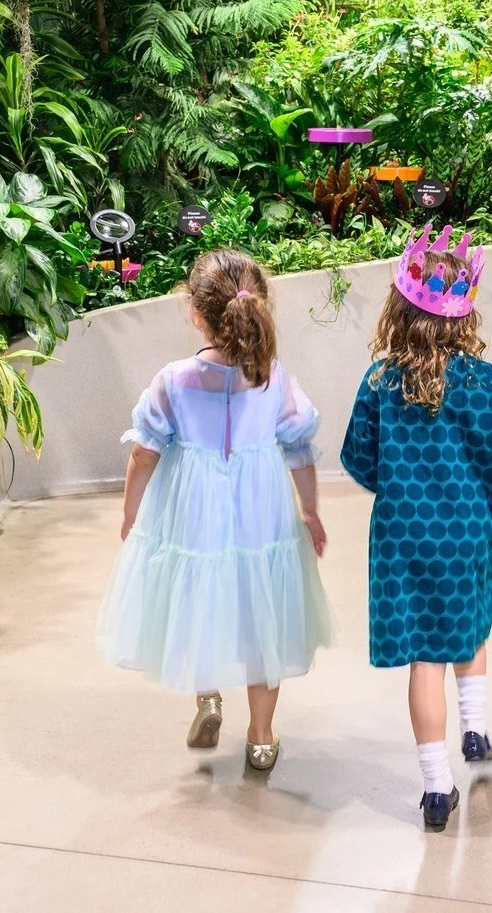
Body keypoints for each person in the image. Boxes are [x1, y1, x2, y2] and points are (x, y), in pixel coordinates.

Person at [96, 248, 331, 770]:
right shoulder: (272, 378)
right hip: (260, 512)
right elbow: (298, 450)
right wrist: (309, 510)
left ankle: (207, 699)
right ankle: (262, 737)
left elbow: (143, 452)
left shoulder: (174, 380)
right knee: (263, 613)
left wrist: (132, 512)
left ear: (196, 313)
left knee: (196, 595)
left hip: (193, 513)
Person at [340, 225, 492, 833]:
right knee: (470, 619)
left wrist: (403, 487)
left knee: (426, 652)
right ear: (463, 316)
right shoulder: (484, 382)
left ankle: (435, 789)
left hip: (404, 534)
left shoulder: (378, 383)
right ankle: (474, 732)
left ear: (398, 308)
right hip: (469, 528)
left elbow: (358, 459)